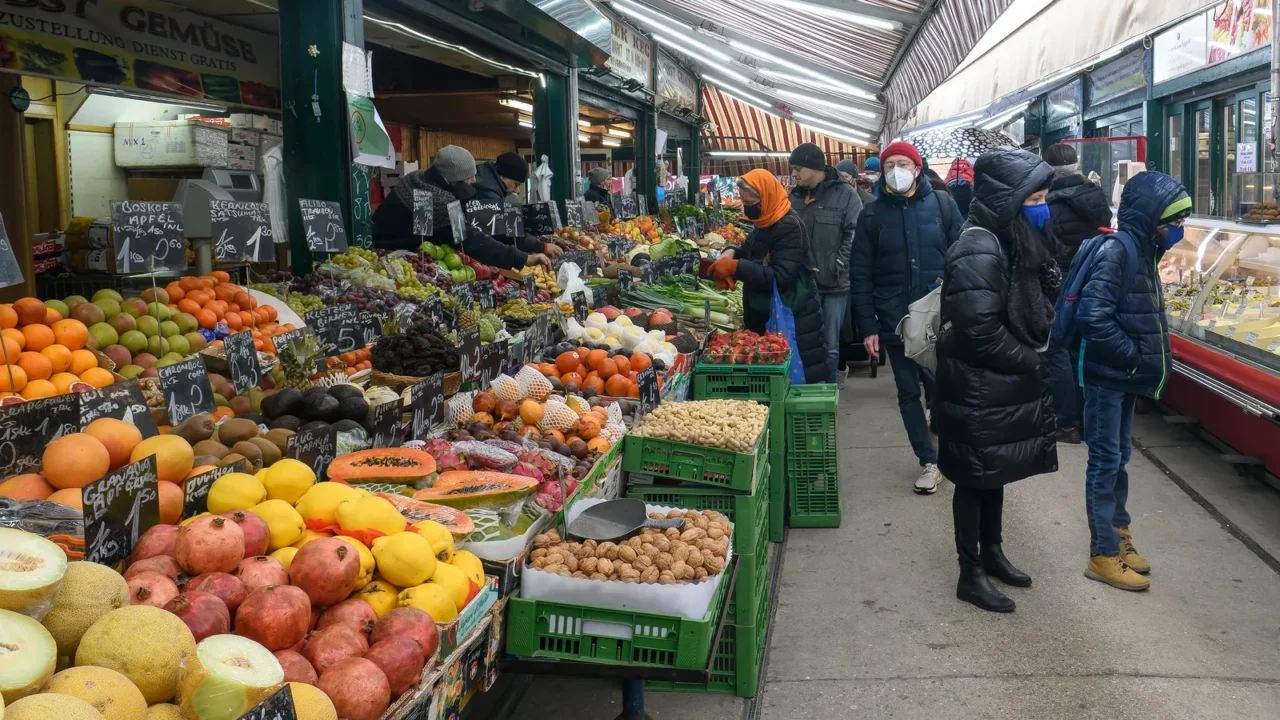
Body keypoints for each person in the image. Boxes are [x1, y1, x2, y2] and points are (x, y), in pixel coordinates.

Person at [934, 146, 1060, 613]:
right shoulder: (979, 247)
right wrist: (1030, 360)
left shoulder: (1008, 238)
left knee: (994, 475)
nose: (1043, 208)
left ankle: (993, 553)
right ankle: (970, 573)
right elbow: (979, 330)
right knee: (973, 478)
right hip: (976, 384)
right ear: (1010, 199)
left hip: (993, 385)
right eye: (1036, 199)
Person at [1074, 171, 1188, 592]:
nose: (1178, 230)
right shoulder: (1119, 253)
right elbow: (1092, 316)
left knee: (1118, 458)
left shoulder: (1144, 250)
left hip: (1123, 379)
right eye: (1172, 221)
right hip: (1108, 378)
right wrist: (1133, 358)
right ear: (1149, 217)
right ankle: (1102, 553)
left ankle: (1120, 536)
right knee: (1105, 462)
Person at [851, 141, 962, 494]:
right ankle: (928, 460)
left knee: (940, 387)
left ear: (917, 168)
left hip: (937, 318)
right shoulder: (871, 215)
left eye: (903, 163)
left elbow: (962, 256)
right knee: (906, 391)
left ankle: (951, 449)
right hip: (894, 317)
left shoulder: (943, 205)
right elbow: (861, 273)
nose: (896, 170)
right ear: (882, 172)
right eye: (889, 165)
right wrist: (867, 325)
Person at [706, 169, 828, 383]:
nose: (748, 208)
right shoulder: (767, 221)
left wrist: (736, 267)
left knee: (796, 382)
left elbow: (781, 277)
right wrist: (731, 251)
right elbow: (751, 250)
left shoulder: (788, 226)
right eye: (744, 201)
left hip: (795, 322)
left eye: (751, 202)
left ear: (767, 196)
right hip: (773, 317)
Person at [372, 145, 550, 269]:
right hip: (391, 260)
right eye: (468, 177)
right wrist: (523, 258)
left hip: (392, 252)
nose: (474, 181)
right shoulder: (440, 201)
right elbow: (470, 239)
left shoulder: (416, 178)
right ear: (453, 178)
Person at [1044, 142, 1115, 443]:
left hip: (1060, 280)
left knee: (1058, 348)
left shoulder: (1049, 202)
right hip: (1092, 279)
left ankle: (1068, 422)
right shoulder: (1096, 195)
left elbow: (1046, 244)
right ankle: (1089, 419)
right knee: (1083, 349)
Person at [788, 143, 862, 386]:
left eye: (798, 168)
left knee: (830, 346)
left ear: (814, 167)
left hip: (834, 286)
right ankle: (804, 394)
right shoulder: (793, 196)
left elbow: (855, 235)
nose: (794, 174)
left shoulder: (846, 195)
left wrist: (837, 264)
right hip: (801, 285)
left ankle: (828, 394)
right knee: (800, 343)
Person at [474, 151, 564, 260]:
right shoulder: (488, 193)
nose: (516, 190)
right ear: (503, 176)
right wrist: (542, 247)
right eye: (516, 184)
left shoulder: (488, 176)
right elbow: (504, 232)